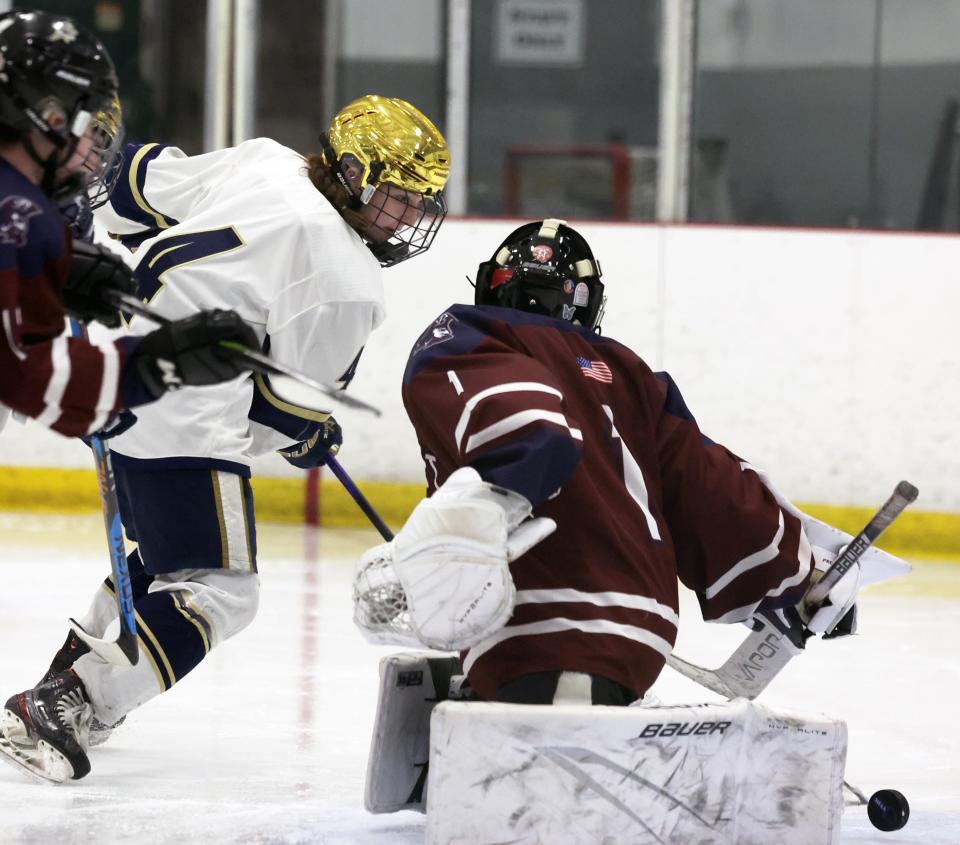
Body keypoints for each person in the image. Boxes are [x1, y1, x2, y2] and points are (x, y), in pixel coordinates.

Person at [1, 91, 450, 782]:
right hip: (184, 405)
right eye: (400, 196)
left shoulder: (269, 162)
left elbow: (134, 184)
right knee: (220, 587)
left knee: (170, 554)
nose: (412, 217)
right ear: (355, 173)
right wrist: (308, 434)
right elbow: (279, 403)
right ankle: (69, 700)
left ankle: (72, 680)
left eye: (421, 201)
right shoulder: (350, 278)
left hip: (116, 366)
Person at [353, 218, 860, 708]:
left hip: (543, 627)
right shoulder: (634, 377)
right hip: (640, 637)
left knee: (543, 774)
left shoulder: (466, 338)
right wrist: (806, 575)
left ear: (491, 286)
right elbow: (716, 495)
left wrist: (466, 519)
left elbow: (533, 430)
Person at [0, 9, 259, 442]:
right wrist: (155, 363)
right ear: (41, 112)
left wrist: (52, 273)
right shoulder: (19, 213)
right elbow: (33, 380)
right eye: (82, 121)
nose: (88, 147)